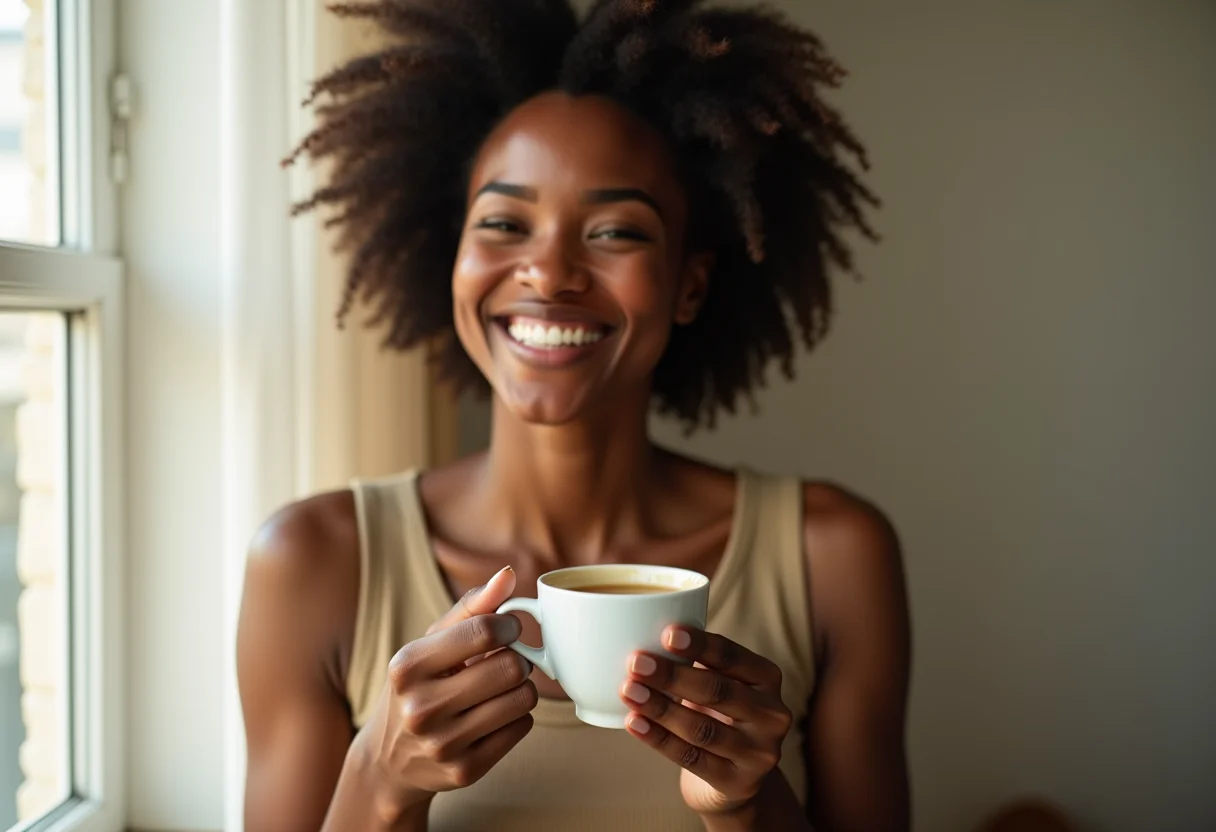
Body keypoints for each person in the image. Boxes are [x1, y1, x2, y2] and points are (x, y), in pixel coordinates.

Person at [238, 1, 911, 829]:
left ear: (690, 285)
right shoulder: (312, 564)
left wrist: (747, 804)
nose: (549, 272)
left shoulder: (834, 557)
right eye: (503, 223)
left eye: (616, 231)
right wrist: (380, 780)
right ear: (454, 259)